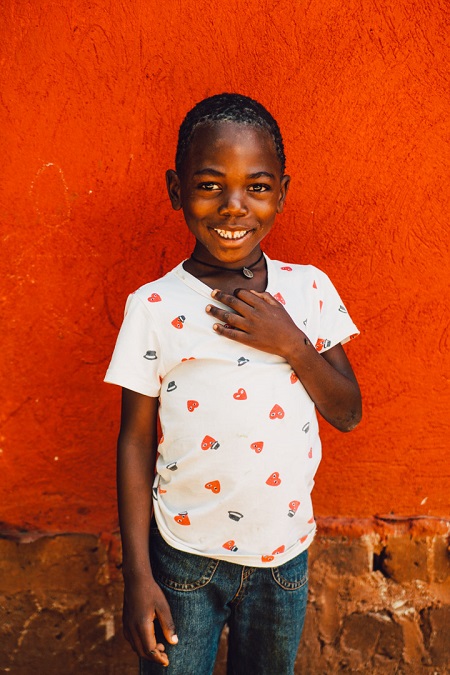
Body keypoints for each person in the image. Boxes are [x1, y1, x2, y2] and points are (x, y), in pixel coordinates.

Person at [105, 93, 362, 675]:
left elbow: (348, 412)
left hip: (283, 559)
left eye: (259, 186)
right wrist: (138, 576)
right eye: (209, 184)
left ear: (283, 192)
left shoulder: (308, 290)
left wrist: (291, 342)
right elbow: (136, 441)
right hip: (183, 561)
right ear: (176, 190)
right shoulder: (152, 306)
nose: (234, 207)